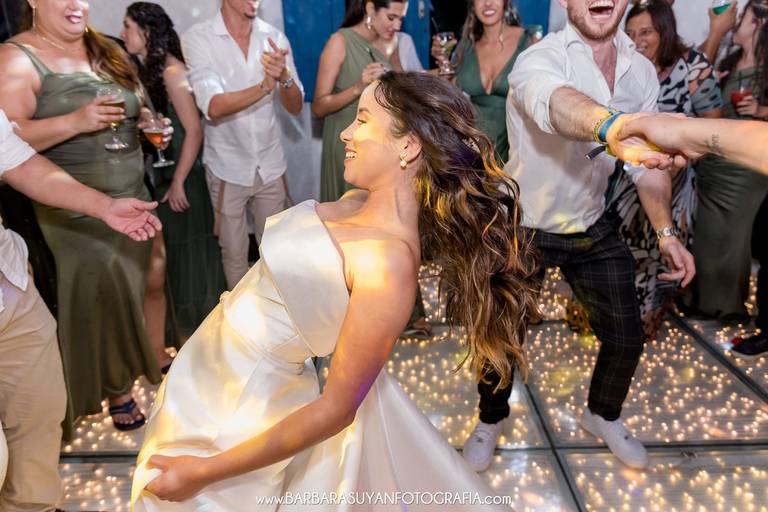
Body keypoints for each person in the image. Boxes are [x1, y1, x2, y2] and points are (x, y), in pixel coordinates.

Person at [129, 71, 538, 509]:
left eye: (362, 120)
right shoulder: (356, 200)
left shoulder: (388, 265)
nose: (345, 132)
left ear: (408, 146)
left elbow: (337, 410)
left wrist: (202, 473)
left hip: (241, 408)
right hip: (209, 374)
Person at [463, 0, 696, 472]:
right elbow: (556, 105)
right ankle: (490, 419)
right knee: (501, 334)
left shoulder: (640, 73)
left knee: (626, 335)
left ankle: (602, 414)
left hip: (590, 222)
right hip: (524, 224)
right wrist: (612, 126)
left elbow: (646, 167)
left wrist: (666, 233)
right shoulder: (539, 58)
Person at [0, 0, 172, 431]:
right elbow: (10, 138)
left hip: (129, 189)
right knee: (102, 289)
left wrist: (146, 124)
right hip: (70, 201)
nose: (77, 4)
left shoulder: (107, 48)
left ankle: (151, 358)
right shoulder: (15, 57)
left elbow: (137, 106)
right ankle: (116, 387)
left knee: (149, 274)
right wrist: (75, 121)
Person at [0, 109, 160, 512]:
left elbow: (22, 163)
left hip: (11, 288)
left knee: (40, 411)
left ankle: (34, 506)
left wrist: (104, 206)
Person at [610, 0, 723, 340]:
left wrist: (679, 156)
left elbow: (713, 128)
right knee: (624, 255)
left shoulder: (693, 66)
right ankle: (620, 328)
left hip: (677, 182)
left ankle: (646, 326)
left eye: (646, 31)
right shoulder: (626, 68)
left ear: (665, 30)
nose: (638, 40)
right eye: (631, 33)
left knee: (662, 259)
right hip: (629, 180)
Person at [121, 2, 227, 341]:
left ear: (147, 31)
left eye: (128, 27)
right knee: (174, 257)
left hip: (184, 175)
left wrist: (179, 181)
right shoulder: (149, 70)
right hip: (165, 173)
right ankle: (178, 334)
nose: (123, 34)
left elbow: (194, 131)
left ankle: (199, 332)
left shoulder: (172, 71)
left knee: (189, 254)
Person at [183, 0, 304, 290]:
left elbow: (295, 106)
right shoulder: (198, 38)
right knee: (235, 255)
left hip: (270, 163)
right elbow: (213, 106)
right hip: (227, 166)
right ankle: (241, 318)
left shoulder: (273, 36)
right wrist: (264, 86)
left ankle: (278, 315)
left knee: (276, 252)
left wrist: (284, 77)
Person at [684, 0, 768, 324]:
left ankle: (729, 307)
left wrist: (760, 111)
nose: (736, 22)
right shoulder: (729, 61)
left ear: (758, 24)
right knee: (706, 234)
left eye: (743, 17)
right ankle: (702, 300)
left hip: (746, 168)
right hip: (717, 162)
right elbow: (695, 75)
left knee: (732, 237)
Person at [313, 0, 407, 202]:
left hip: (380, 141)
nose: (397, 26)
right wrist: (358, 87)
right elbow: (318, 107)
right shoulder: (339, 41)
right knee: (350, 207)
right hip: (346, 140)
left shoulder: (391, 42)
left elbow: (403, 86)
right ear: (370, 8)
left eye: (401, 19)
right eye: (391, 17)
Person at [433, 0, 540, 163]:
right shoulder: (466, 47)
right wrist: (443, 64)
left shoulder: (529, 41)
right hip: (472, 154)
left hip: (517, 154)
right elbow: (450, 93)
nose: (488, 3)